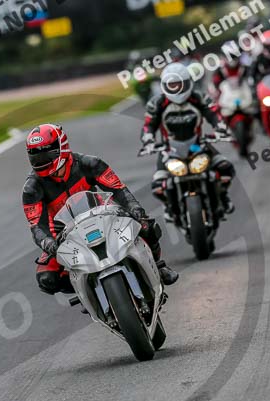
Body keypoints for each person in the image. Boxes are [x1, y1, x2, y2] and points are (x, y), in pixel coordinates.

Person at [22, 123, 179, 295]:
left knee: (147, 226)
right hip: (62, 233)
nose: (41, 161)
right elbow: (37, 226)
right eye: (36, 156)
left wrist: (135, 210)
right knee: (47, 279)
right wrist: (49, 243)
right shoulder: (32, 188)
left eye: (46, 154)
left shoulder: (90, 163)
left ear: (62, 147)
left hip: (103, 213)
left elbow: (119, 190)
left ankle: (158, 266)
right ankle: (88, 292)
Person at [140, 62, 236, 222]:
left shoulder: (198, 97)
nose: (175, 88)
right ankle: (169, 207)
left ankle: (223, 197)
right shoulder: (157, 103)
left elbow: (213, 114)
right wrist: (148, 140)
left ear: (187, 82)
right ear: (164, 85)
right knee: (157, 185)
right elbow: (149, 125)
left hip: (198, 144)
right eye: (171, 85)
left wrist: (220, 128)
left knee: (226, 168)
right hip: (169, 149)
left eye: (178, 84)